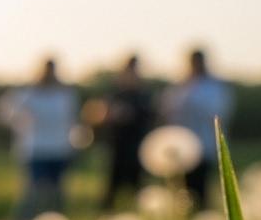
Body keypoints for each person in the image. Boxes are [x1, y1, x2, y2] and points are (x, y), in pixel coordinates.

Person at [0, 58, 80, 220]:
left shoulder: (65, 95)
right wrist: (19, 125)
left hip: (59, 149)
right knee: (32, 194)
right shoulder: (29, 94)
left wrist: (73, 144)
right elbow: (2, 111)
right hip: (36, 150)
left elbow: (72, 121)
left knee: (57, 194)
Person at [160, 48, 233, 209]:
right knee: (182, 189)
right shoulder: (179, 86)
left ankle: (201, 213)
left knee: (201, 188)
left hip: (204, 145)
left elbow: (219, 112)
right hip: (180, 148)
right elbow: (167, 110)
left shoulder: (214, 87)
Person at [97, 55, 154, 209]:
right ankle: (108, 210)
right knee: (113, 183)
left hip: (137, 146)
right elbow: (101, 115)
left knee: (137, 184)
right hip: (117, 146)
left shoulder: (144, 96)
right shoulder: (115, 93)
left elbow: (151, 117)